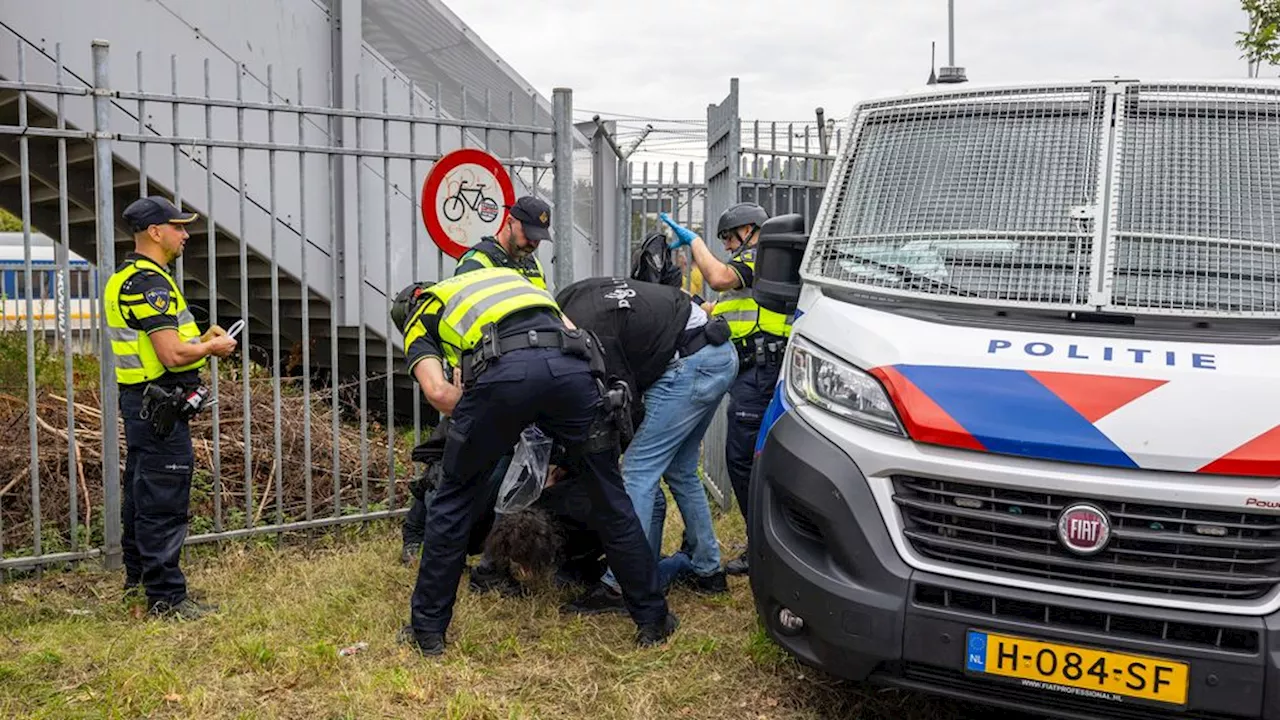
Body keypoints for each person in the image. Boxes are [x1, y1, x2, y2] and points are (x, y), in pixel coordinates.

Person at [392, 267, 678, 655]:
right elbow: (579, 337)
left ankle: (427, 632)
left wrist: (482, 414)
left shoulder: (421, 313)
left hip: (504, 375)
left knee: (453, 500)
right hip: (574, 373)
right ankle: (653, 619)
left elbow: (440, 393)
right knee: (612, 500)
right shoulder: (508, 281)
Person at [553, 256, 738, 615]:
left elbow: (625, 401)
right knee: (682, 469)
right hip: (716, 353)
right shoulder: (571, 298)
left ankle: (622, 585)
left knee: (638, 471)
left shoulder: (589, 334)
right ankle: (707, 568)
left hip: (690, 363)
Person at [398, 195, 551, 586]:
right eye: (528, 234)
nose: (533, 243)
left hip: (516, 375)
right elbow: (465, 316)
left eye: (538, 237)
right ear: (509, 221)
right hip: (476, 376)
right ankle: (416, 535)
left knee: (486, 464)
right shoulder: (476, 260)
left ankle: (483, 550)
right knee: (449, 460)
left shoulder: (531, 264)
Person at [104, 196, 238, 619]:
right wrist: (212, 347)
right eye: (178, 227)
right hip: (159, 404)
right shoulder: (152, 284)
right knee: (163, 497)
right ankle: (167, 598)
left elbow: (167, 344)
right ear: (156, 232)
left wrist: (200, 337)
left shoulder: (126, 277)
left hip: (142, 403)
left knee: (142, 494)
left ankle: (138, 580)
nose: (185, 235)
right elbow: (171, 355)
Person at [660, 203, 791, 576]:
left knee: (744, 461)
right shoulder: (757, 266)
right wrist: (694, 304)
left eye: (731, 237)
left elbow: (718, 278)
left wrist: (696, 242)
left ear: (750, 230)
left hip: (760, 373)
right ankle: (762, 544)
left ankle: (762, 551)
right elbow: (725, 303)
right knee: (746, 460)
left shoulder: (763, 256)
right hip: (752, 372)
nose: (730, 246)